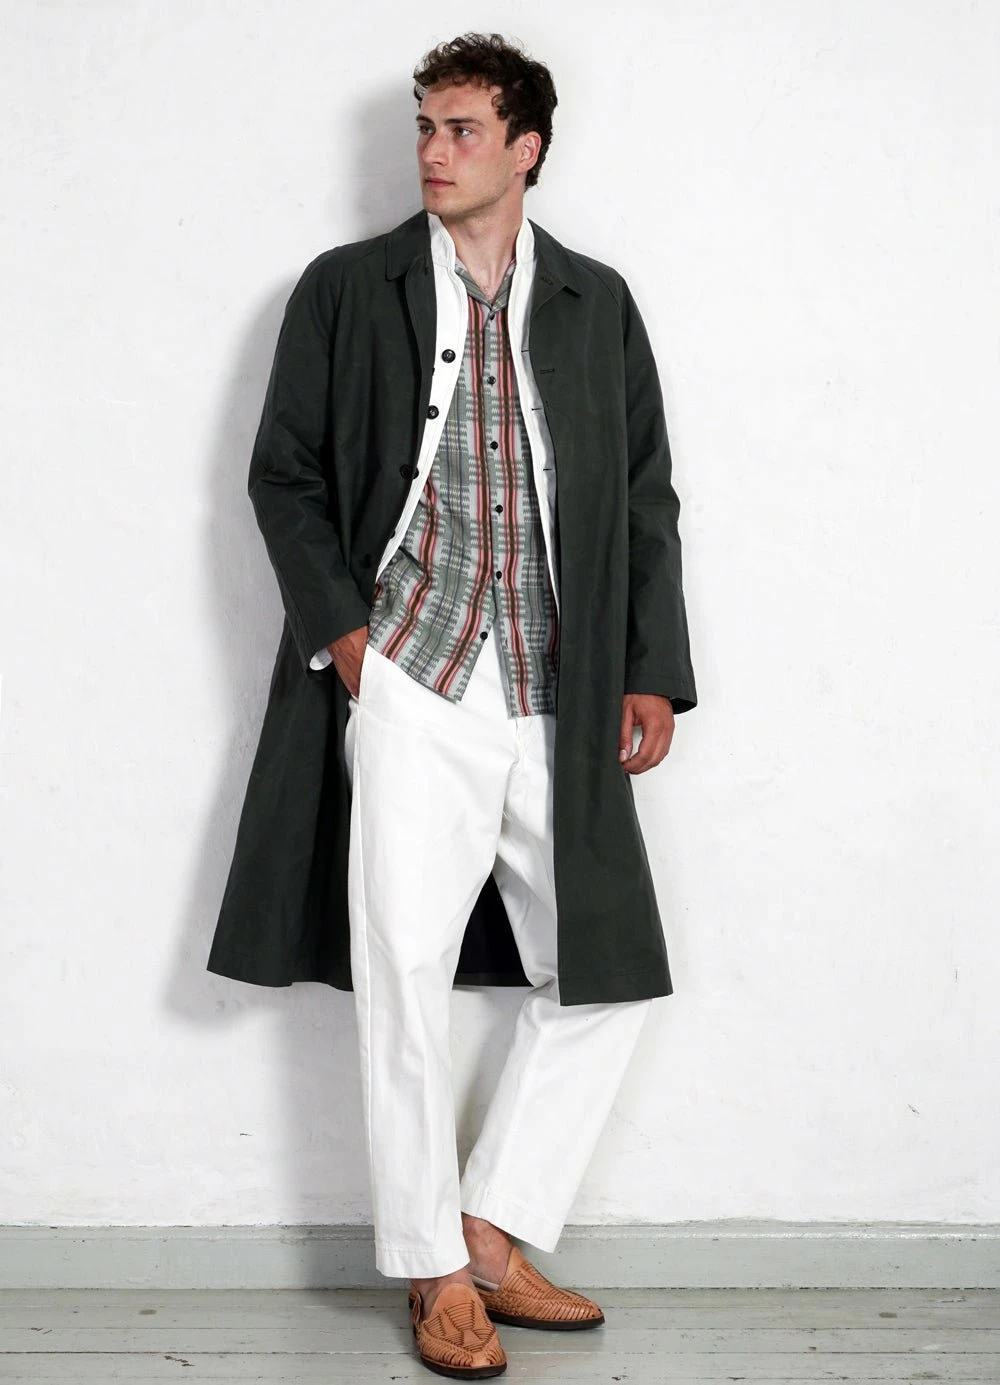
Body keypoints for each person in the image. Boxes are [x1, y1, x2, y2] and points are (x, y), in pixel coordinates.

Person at [207, 30, 697, 1379]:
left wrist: (650, 665)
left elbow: (645, 495)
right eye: (425, 126)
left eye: (462, 128)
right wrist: (351, 646)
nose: (433, 150)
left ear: (525, 148)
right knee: (405, 971)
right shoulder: (346, 290)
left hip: (556, 684)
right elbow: (283, 476)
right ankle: (430, 1267)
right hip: (413, 677)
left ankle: (490, 1227)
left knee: (609, 972)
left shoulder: (596, 303)